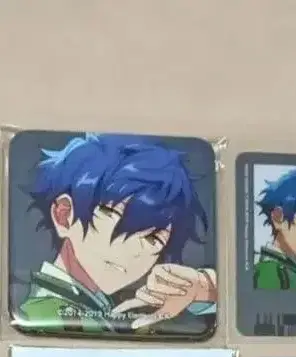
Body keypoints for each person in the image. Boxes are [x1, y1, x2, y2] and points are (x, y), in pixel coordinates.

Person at [19, 133, 215, 333]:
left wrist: (204, 287)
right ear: (64, 215)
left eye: (153, 239)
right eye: (117, 219)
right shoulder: (44, 315)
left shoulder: (110, 307)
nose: (136, 250)